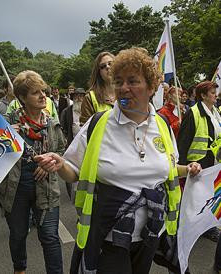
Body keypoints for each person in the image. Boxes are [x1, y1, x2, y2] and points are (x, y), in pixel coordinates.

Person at [35, 48, 202, 274]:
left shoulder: (161, 125)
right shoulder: (99, 124)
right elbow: (74, 170)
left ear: (151, 87)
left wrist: (189, 169)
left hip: (151, 235)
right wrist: (60, 164)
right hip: (110, 237)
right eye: (119, 81)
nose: (124, 88)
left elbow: (168, 169)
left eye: (133, 81)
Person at [0, 70, 65, 274]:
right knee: (18, 235)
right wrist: (5, 137)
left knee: (50, 237)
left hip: (47, 189)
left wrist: (49, 163)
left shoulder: (51, 123)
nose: (43, 96)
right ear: (22, 98)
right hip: (15, 188)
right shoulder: (7, 122)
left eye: (43, 91)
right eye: (36, 93)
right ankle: (20, 268)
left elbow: (61, 150)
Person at [177, 80, 221, 242]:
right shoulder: (193, 113)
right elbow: (183, 143)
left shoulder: (215, 112)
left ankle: (205, 228)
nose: (215, 95)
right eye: (212, 92)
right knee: (196, 200)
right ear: (202, 95)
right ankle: (192, 230)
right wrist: (180, 168)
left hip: (213, 164)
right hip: (197, 164)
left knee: (209, 198)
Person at [80, 51, 115, 125]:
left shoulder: (127, 92)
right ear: (99, 72)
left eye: (110, 63)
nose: (107, 67)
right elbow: (85, 130)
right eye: (103, 66)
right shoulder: (90, 98)